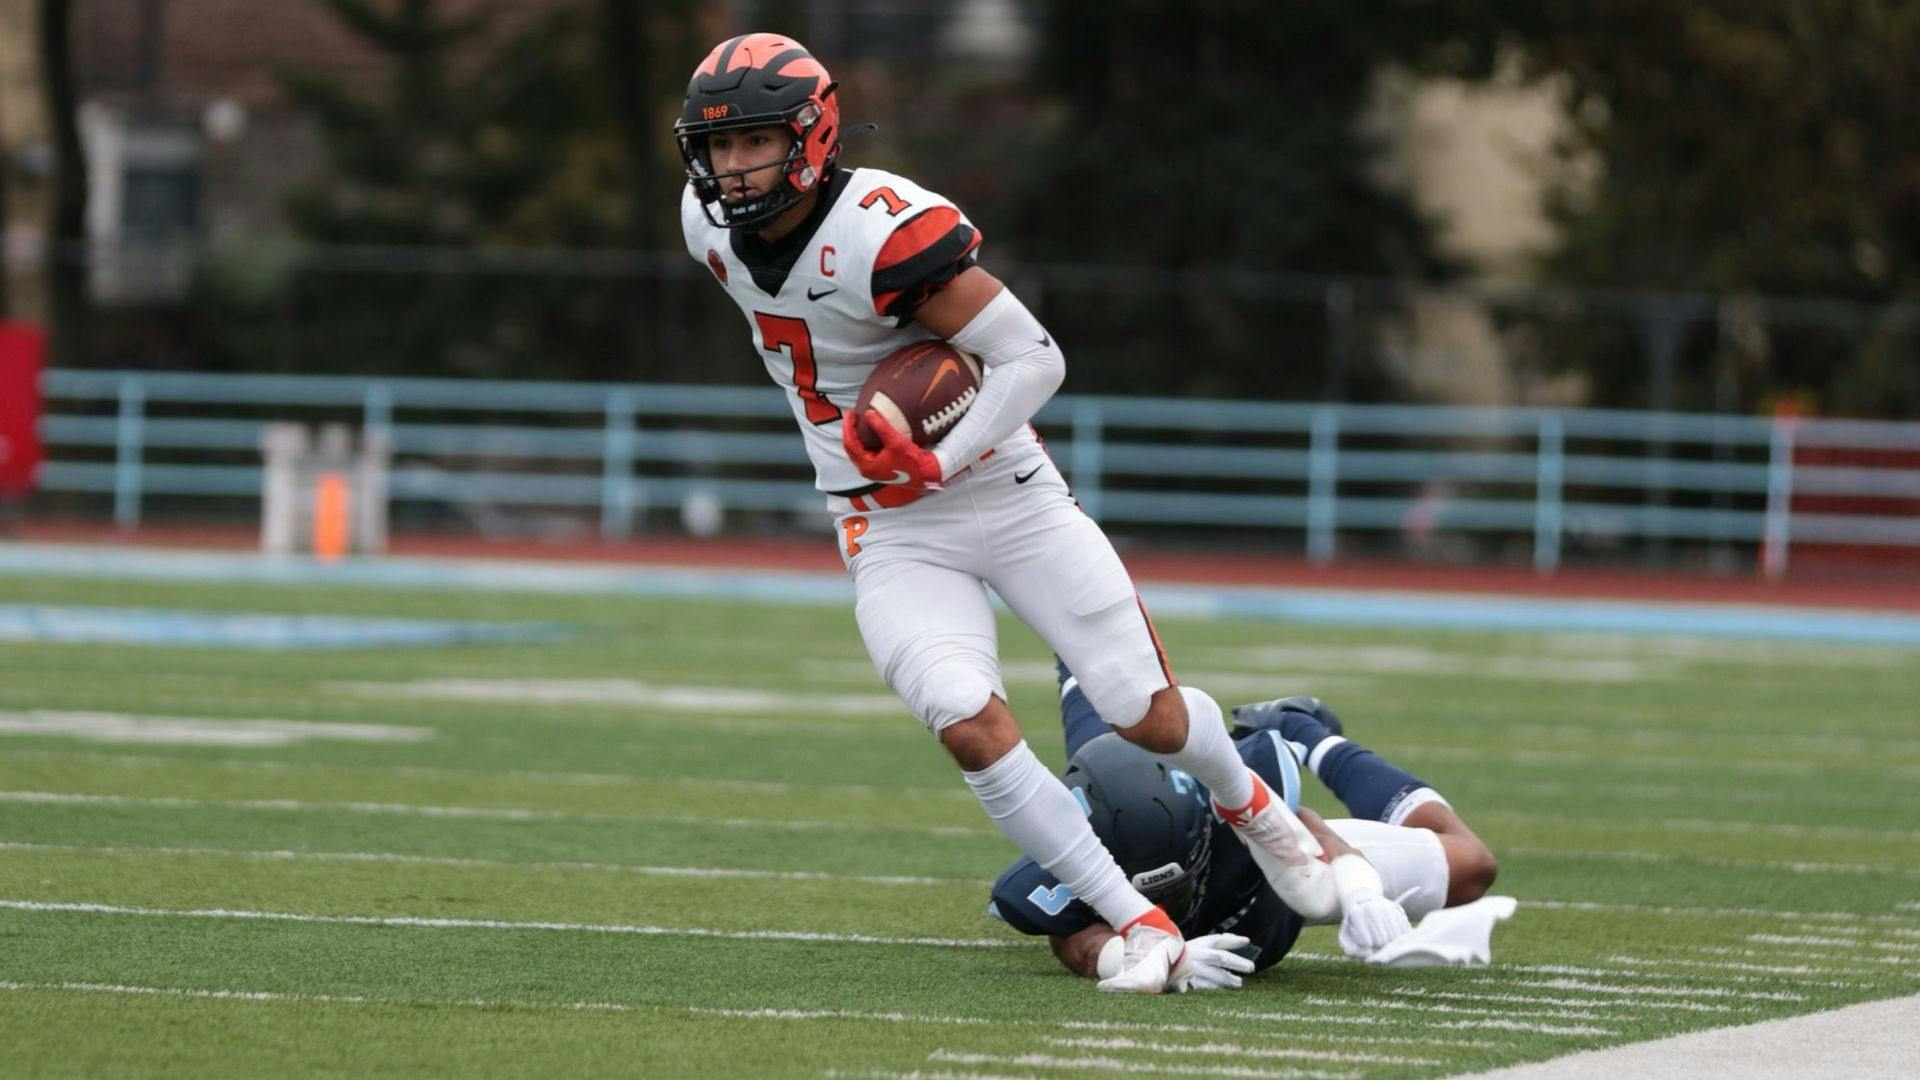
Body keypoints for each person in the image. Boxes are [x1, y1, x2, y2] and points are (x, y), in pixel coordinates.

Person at [674, 33, 1344, 993]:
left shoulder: (885, 227)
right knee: (964, 720)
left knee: (1143, 717)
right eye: (717, 147)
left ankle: (1257, 810)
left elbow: (1036, 359)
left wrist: (934, 453)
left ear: (814, 135)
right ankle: (1137, 923)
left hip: (1000, 488)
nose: (732, 168)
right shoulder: (704, 224)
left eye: (753, 143)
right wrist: (895, 473)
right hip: (883, 522)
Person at [989, 669, 1499, 987]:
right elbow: (1069, 934)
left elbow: (1308, 828)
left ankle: (1301, 730)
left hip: (1277, 887)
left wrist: (1360, 889)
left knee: (1473, 867)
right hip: (1128, 803)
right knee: (1094, 714)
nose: (1174, 900)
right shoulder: (1062, 858)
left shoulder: (1226, 804)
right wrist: (1124, 956)